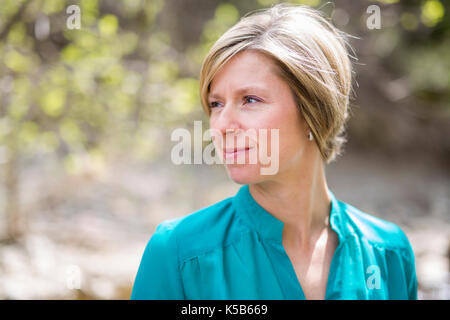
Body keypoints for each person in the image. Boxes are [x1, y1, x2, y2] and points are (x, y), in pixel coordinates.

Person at [131, 3, 417, 300]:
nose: (223, 124)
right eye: (216, 104)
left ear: (313, 111)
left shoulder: (389, 255)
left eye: (250, 99)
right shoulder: (178, 255)